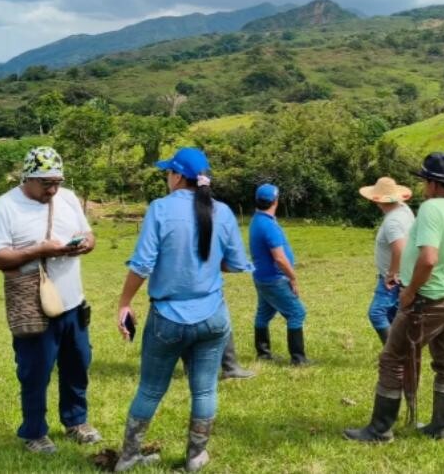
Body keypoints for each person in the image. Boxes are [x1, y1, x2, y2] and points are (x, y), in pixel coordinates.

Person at [114, 148, 253, 472]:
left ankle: (129, 456)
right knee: (205, 388)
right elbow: (234, 263)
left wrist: (124, 302)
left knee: (150, 389)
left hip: (167, 319)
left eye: (168, 173)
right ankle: (195, 456)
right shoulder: (224, 211)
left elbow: (143, 264)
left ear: (177, 176)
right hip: (214, 317)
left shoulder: (160, 209)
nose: (167, 178)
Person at [344, 152, 444, 443]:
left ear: (432, 183)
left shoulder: (431, 209)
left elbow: (428, 258)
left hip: (427, 298)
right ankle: (439, 427)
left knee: (392, 359)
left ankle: (380, 429)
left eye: (424, 181)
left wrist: (410, 291)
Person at [0, 146, 101, 454]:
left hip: (73, 301)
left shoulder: (68, 198)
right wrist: (39, 251)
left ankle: (76, 421)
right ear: (27, 178)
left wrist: (84, 244)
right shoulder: (4, 207)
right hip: (33, 306)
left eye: (57, 181)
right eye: (46, 182)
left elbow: (88, 235)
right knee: (35, 370)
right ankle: (34, 433)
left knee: (78, 364)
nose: (53, 189)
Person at [249, 184, 310, 366]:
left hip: (262, 277)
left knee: (264, 313)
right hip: (274, 280)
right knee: (297, 313)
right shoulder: (268, 226)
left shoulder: (257, 220)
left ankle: (263, 354)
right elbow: (280, 259)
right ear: (276, 201)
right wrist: (292, 278)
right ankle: (298, 359)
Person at [358, 177, 415, 344]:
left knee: (377, 313)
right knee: (395, 315)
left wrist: (392, 273)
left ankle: (395, 353)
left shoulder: (392, 222)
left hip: (393, 278)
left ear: (377, 200)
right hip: (406, 274)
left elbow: (400, 248)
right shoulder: (404, 209)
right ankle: (403, 351)